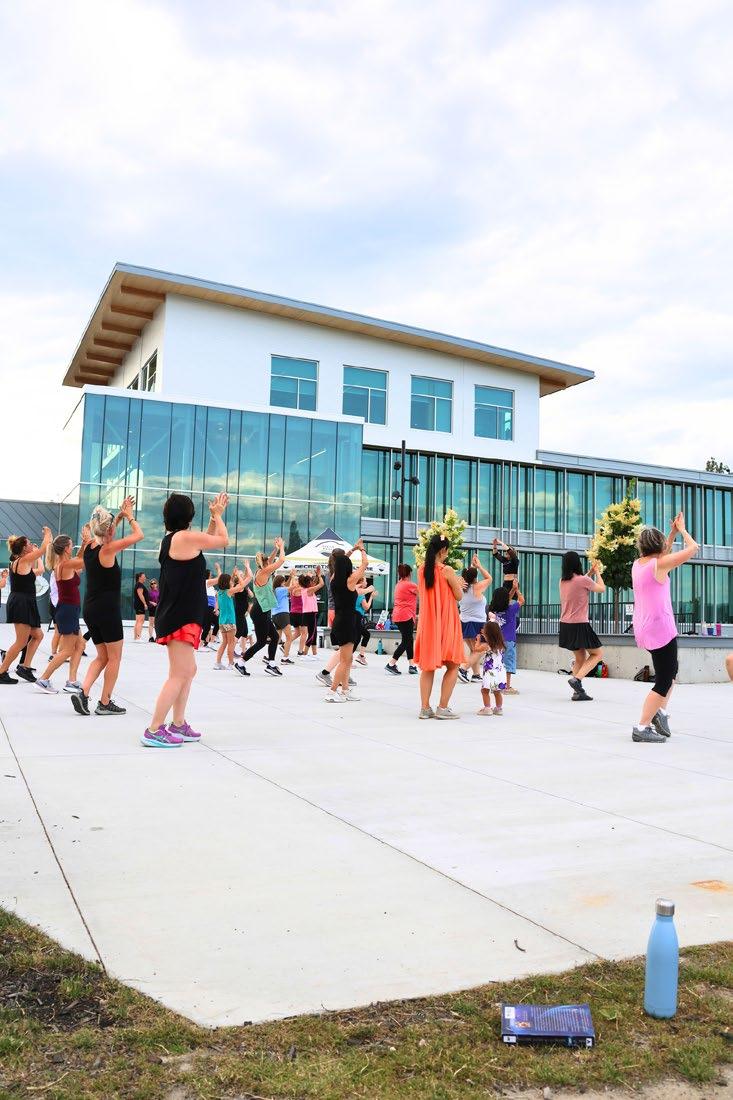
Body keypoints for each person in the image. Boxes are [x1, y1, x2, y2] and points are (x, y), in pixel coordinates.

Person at [143, 491, 229, 747]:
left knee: (187, 671)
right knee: (179, 674)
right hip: (179, 616)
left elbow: (203, 541)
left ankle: (178, 723)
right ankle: (154, 729)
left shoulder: (174, 539)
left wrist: (212, 519)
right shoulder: (183, 538)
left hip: (180, 614)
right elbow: (223, 540)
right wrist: (218, 515)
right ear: (188, 516)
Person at [71, 498, 143, 716]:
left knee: (102, 656)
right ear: (110, 529)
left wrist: (118, 517)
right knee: (115, 658)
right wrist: (129, 516)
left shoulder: (90, 547)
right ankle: (104, 702)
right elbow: (139, 535)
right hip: (107, 611)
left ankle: (83, 692)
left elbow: (104, 532)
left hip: (90, 609)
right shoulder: (109, 549)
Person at [631, 513, 698, 744]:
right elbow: (693, 548)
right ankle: (642, 726)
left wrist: (672, 533)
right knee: (664, 680)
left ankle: (660, 712)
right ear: (658, 547)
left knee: (670, 672)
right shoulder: (658, 565)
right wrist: (683, 530)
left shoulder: (638, 565)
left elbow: (663, 553)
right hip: (660, 629)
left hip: (645, 627)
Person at [414, 534, 464, 719]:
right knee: (453, 665)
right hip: (446, 622)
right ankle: (442, 707)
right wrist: (458, 583)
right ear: (443, 550)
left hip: (428, 624)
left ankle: (425, 708)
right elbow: (459, 596)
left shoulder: (421, 570)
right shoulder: (447, 570)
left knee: (427, 667)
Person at [35, 531, 91, 694]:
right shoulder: (66, 565)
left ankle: (71, 681)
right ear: (66, 548)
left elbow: (78, 559)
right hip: (68, 610)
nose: (73, 547)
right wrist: (88, 543)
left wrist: (83, 544)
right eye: (71, 545)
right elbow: (86, 561)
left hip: (68, 610)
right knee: (67, 650)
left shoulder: (64, 564)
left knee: (80, 645)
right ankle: (43, 679)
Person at [0, 527, 52, 685]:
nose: (31, 545)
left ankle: (25, 667)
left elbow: (40, 569)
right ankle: (1, 672)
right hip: (21, 603)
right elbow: (43, 549)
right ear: (24, 548)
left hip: (24, 602)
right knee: (21, 641)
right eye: (29, 543)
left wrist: (38, 552)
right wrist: (47, 534)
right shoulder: (23, 560)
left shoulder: (22, 562)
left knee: (38, 635)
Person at [559, 551, 606, 702]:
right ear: (577, 563)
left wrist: (589, 573)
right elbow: (602, 588)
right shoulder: (583, 580)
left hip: (566, 625)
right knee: (597, 654)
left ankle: (577, 693)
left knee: (580, 657)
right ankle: (577, 680)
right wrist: (597, 572)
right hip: (579, 624)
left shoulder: (562, 581)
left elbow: (578, 583)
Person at [325, 541, 368, 702]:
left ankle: (345, 690)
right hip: (347, 622)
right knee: (344, 660)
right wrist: (361, 549)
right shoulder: (350, 580)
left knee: (348, 659)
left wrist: (352, 550)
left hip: (339, 620)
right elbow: (365, 564)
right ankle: (331, 692)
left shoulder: (333, 579)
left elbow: (340, 563)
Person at [237, 538, 285, 676]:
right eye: (268, 561)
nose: (270, 562)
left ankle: (271, 664)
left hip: (263, 610)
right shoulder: (263, 573)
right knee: (261, 642)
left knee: (274, 637)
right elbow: (281, 560)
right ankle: (240, 663)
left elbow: (271, 559)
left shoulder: (262, 570)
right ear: (265, 563)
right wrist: (282, 547)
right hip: (260, 611)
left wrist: (276, 549)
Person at [457, 554, 493, 683]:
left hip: (464, 622)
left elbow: (467, 575)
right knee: (483, 647)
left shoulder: (460, 588)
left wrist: (473, 566)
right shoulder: (477, 587)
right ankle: (463, 669)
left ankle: (476, 674)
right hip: (477, 623)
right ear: (475, 577)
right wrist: (479, 566)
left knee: (474, 650)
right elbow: (489, 578)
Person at [487, 581, 524, 693]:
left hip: (496, 641)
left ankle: (495, 684)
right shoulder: (510, 610)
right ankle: (507, 686)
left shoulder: (493, 610)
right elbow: (522, 600)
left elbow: (504, 600)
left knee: (497, 663)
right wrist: (517, 590)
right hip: (509, 641)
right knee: (508, 664)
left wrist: (512, 589)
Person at [385, 563, 419, 676]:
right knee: (407, 640)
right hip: (406, 615)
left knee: (408, 639)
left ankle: (412, 665)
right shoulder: (410, 585)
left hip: (398, 615)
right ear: (409, 573)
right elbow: (423, 593)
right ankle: (391, 663)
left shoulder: (399, 584)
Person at [213, 569, 246, 669]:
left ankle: (218, 663)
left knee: (224, 642)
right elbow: (242, 585)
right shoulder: (229, 592)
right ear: (227, 582)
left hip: (222, 621)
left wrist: (232, 574)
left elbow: (229, 581)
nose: (231, 581)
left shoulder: (219, 592)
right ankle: (231, 663)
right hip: (230, 621)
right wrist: (238, 575)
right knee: (231, 643)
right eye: (230, 580)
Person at [475, 619, 507, 716]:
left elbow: (476, 649)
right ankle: (498, 708)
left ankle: (487, 708)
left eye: (484, 630)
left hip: (490, 672)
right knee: (497, 691)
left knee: (485, 690)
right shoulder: (501, 645)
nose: (482, 631)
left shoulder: (486, 645)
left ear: (489, 633)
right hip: (500, 672)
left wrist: (478, 640)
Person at [272, 573, 296, 664]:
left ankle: (270, 656)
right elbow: (293, 587)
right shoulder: (281, 590)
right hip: (283, 615)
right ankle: (285, 658)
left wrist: (290, 577)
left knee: (277, 639)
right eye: (284, 581)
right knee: (289, 637)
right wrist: (293, 577)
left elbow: (286, 585)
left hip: (275, 615)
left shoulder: (275, 590)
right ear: (281, 582)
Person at [354, 579, 375, 665]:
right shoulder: (361, 594)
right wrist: (371, 597)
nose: (366, 583)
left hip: (353, 617)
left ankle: (361, 656)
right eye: (365, 581)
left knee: (362, 636)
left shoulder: (354, 591)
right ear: (361, 582)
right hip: (357, 617)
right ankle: (349, 659)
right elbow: (366, 607)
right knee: (357, 638)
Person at [133, 572, 149, 641]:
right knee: (140, 621)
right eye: (144, 576)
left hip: (138, 605)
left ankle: (136, 637)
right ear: (140, 577)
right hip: (140, 605)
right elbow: (140, 595)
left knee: (138, 621)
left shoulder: (138, 584)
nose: (145, 578)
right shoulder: (140, 585)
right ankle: (138, 637)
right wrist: (145, 604)